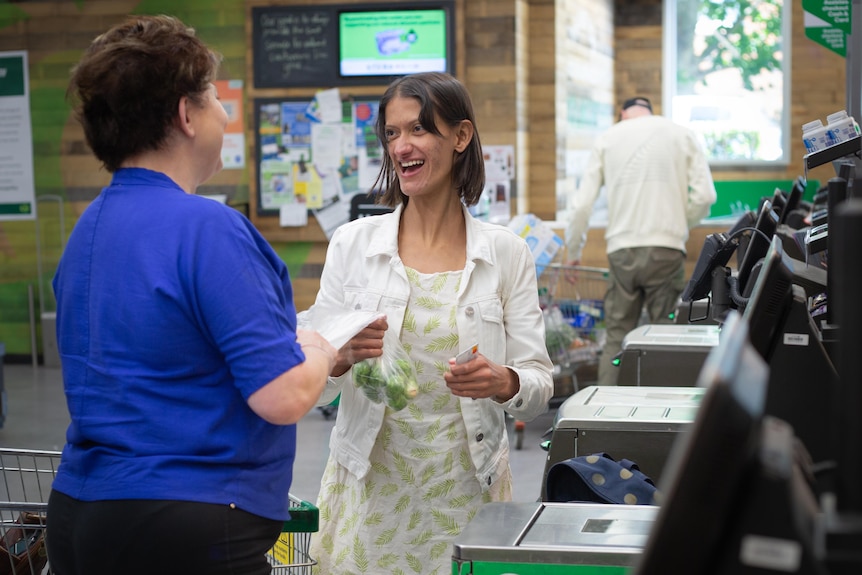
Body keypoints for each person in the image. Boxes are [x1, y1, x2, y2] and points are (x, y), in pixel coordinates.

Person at [46, 15, 337, 575]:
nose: (225, 115)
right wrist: (320, 351)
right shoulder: (208, 227)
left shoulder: (89, 227)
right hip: (187, 525)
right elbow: (280, 395)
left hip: (82, 516)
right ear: (186, 114)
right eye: (215, 99)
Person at [307, 72, 554, 574]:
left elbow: (539, 382)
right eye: (392, 134)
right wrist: (338, 358)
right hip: (370, 490)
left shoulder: (505, 254)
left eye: (418, 130)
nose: (402, 147)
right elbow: (311, 386)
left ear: (460, 137)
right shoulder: (353, 246)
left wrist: (502, 381)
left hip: (466, 491)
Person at [565, 96, 716, 386]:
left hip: (621, 250)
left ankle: (603, 416)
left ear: (622, 114)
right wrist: (678, 225)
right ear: (650, 112)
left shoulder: (608, 138)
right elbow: (706, 196)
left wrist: (574, 250)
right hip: (666, 250)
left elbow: (581, 206)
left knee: (616, 338)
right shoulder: (680, 133)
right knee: (665, 338)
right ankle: (660, 416)